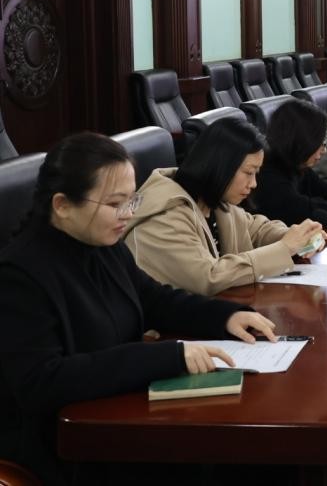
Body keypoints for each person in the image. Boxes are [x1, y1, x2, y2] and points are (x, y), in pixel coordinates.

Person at [0, 133, 278, 483]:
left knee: (251, 452)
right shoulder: (19, 275)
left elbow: (153, 298)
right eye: (116, 204)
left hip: (120, 414)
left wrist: (225, 316)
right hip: (66, 444)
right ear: (62, 205)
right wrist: (166, 356)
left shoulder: (103, 243)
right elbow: (43, 382)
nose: (128, 215)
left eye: (132, 201)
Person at [126, 119, 327, 296]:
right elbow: (208, 277)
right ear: (221, 166)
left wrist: (295, 237)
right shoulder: (164, 217)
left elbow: (256, 229)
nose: (254, 184)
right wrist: (284, 248)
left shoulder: (213, 200)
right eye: (248, 173)